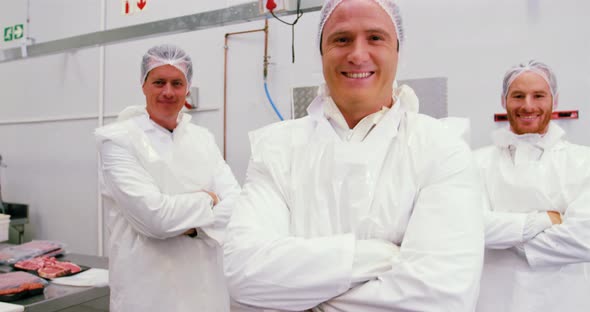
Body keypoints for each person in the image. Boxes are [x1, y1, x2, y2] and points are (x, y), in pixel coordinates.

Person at [223, 0, 484, 311]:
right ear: (322, 52)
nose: (358, 55)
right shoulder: (277, 148)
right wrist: (384, 255)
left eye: (375, 37)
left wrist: (299, 300)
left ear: (397, 50)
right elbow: (244, 274)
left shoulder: (441, 149)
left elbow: (442, 298)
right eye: (342, 39)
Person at [95, 44, 240, 312]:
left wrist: (186, 221)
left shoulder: (202, 139)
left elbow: (236, 206)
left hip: (206, 292)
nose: (168, 92)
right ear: (143, 85)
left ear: (187, 88)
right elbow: (154, 218)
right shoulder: (117, 140)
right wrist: (208, 202)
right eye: (159, 82)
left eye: (177, 83)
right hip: (147, 294)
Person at [475, 60, 590, 312]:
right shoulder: (476, 162)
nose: (528, 105)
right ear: (504, 101)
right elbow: (472, 228)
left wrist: (503, 234)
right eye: (518, 96)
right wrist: (546, 220)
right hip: (495, 302)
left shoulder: (583, 162)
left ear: (554, 101)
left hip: (565, 302)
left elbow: (584, 239)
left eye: (538, 95)